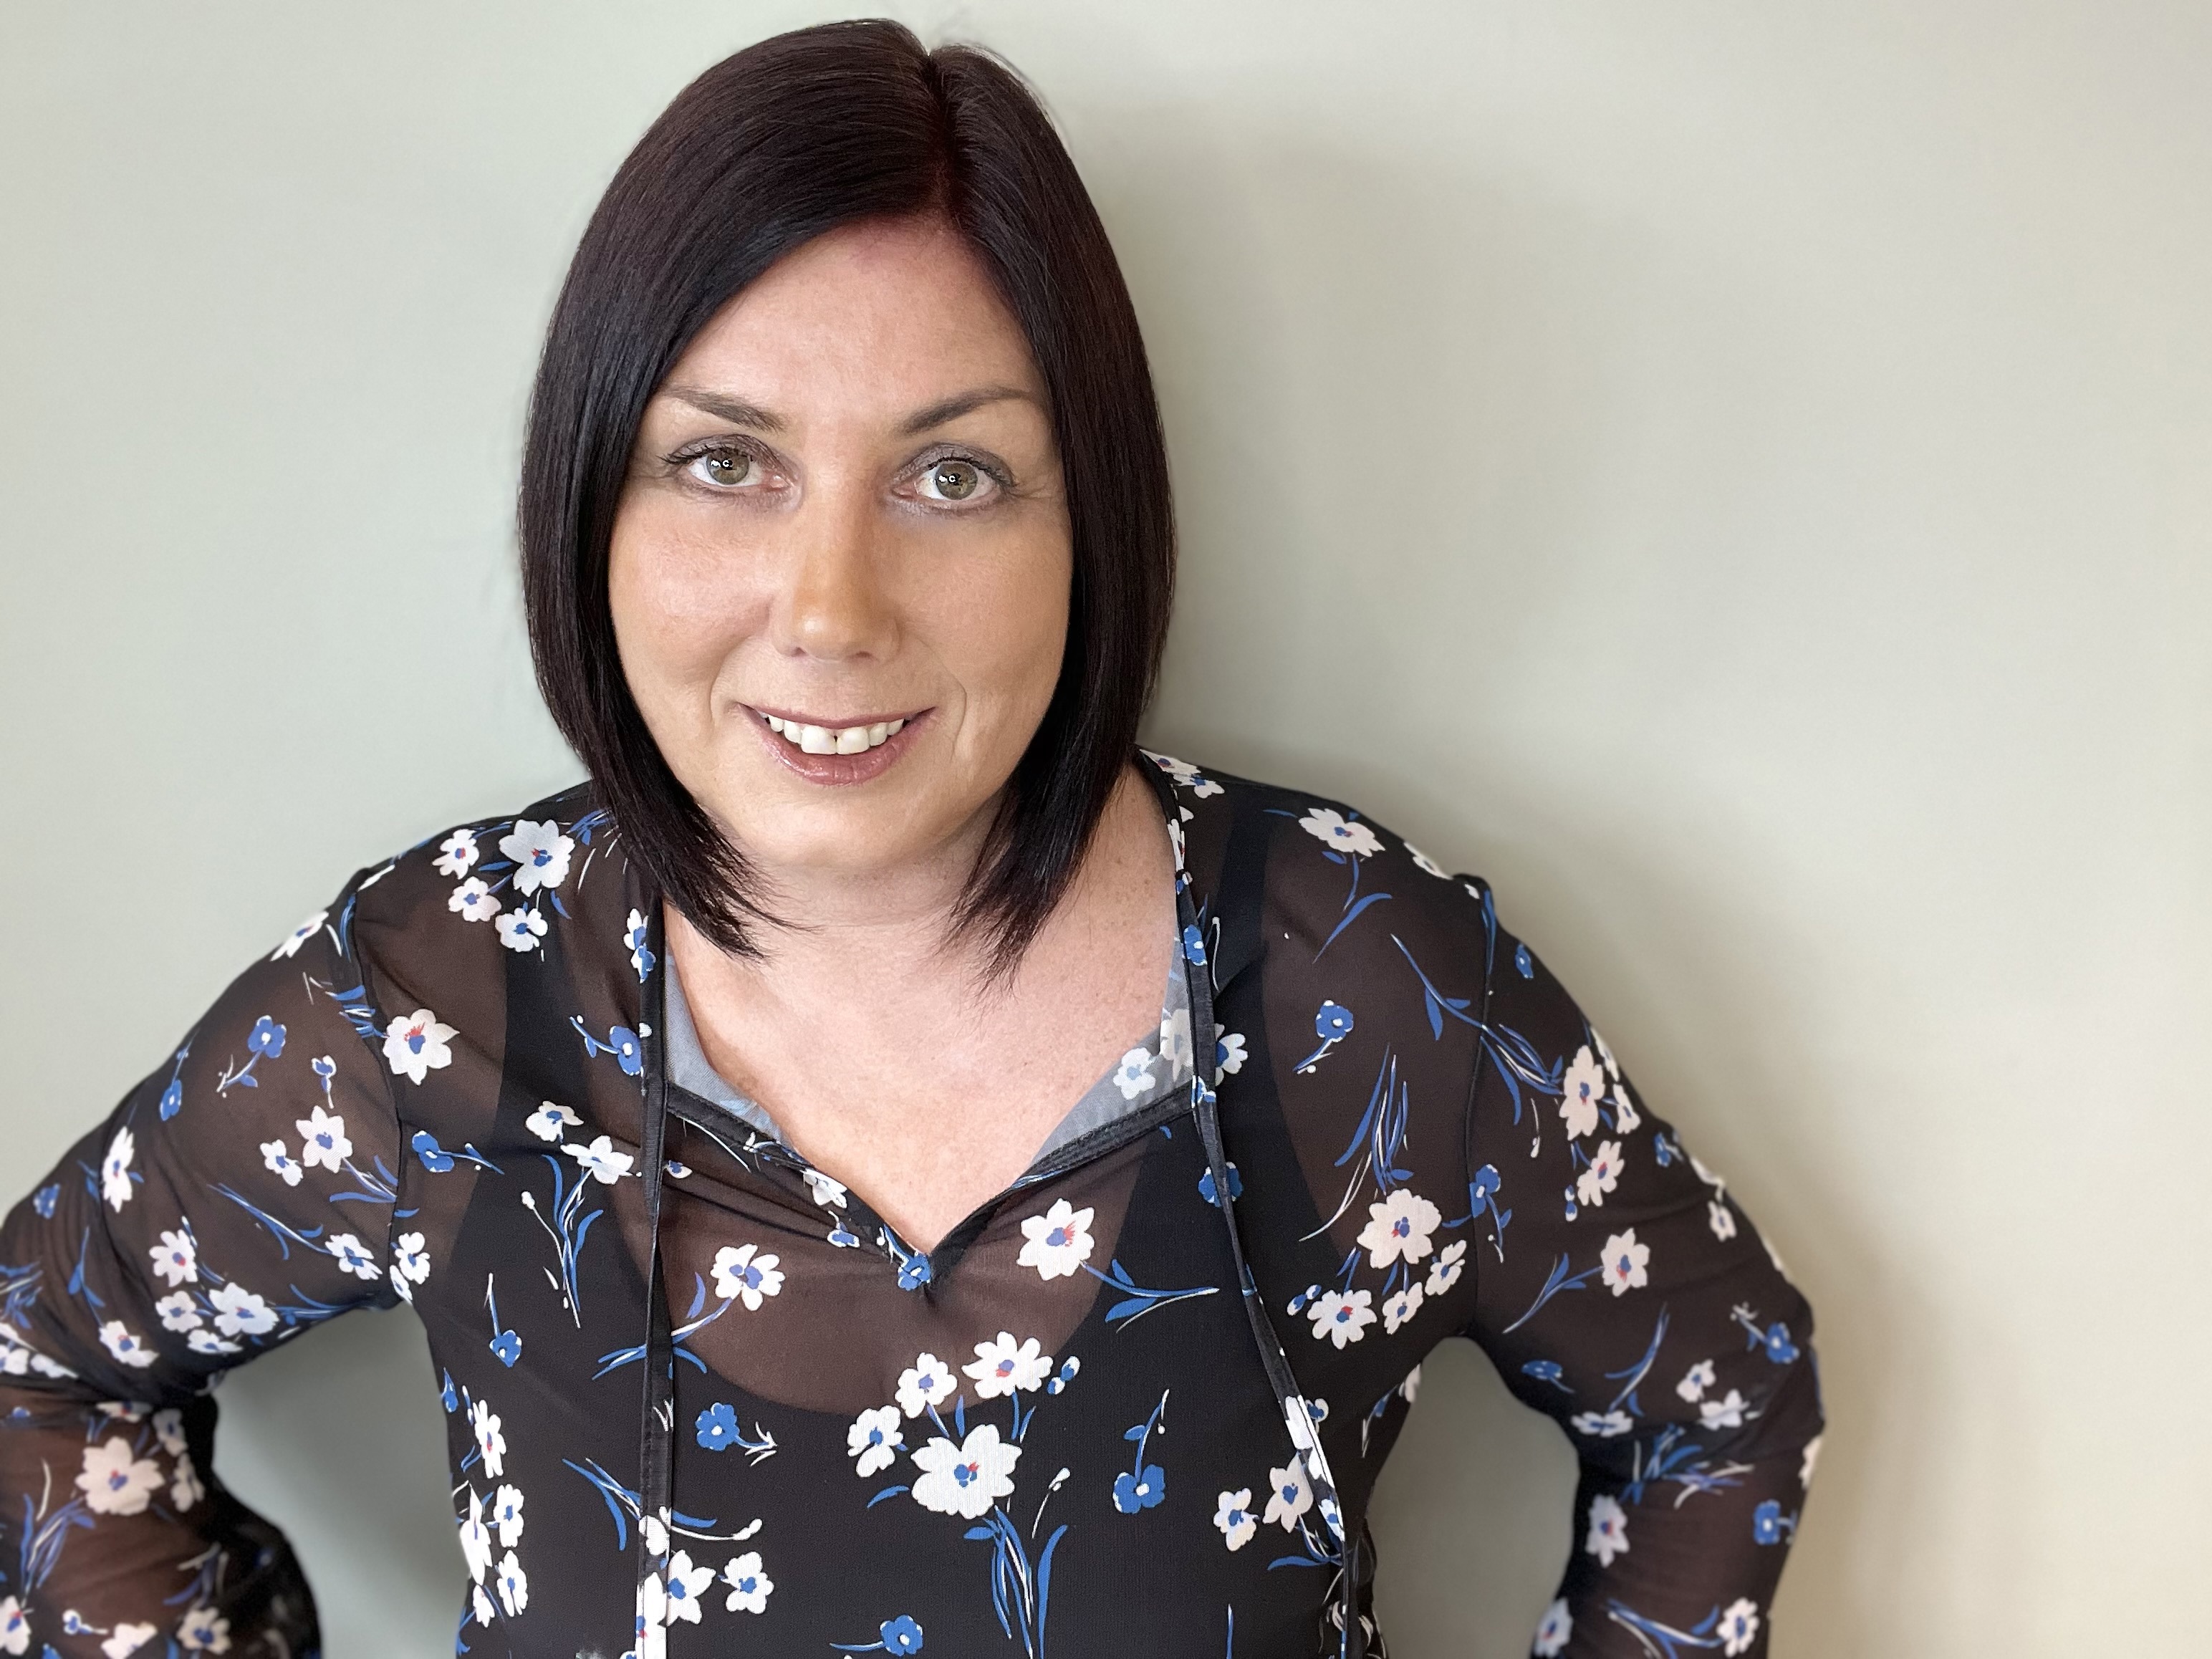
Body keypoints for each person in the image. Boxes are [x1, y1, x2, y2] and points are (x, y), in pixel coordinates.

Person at [0, 19, 1820, 1659]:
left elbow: (1719, 1399)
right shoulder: (430, 1007)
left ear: (1086, 517)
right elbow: (35, 1363)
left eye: (952, 476)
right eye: (723, 461)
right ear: (592, 500)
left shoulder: (1360, 993)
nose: (829, 607)